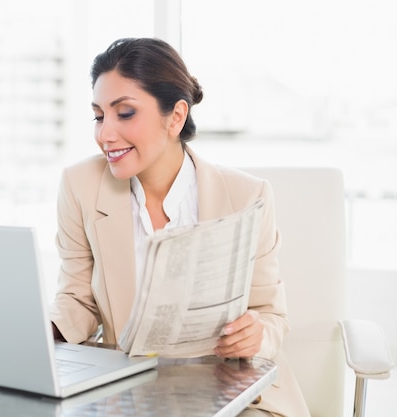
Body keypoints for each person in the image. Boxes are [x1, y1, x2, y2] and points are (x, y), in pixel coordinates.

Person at [48, 37, 310, 417]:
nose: (105, 133)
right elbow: (77, 298)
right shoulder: (80, 186)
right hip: (132, 394)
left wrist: (256, 333)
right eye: (99, 115)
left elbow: (271, 315)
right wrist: (44, 330)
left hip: (236, 396)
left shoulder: (247, 195)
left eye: (124, 114)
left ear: (175, 116)